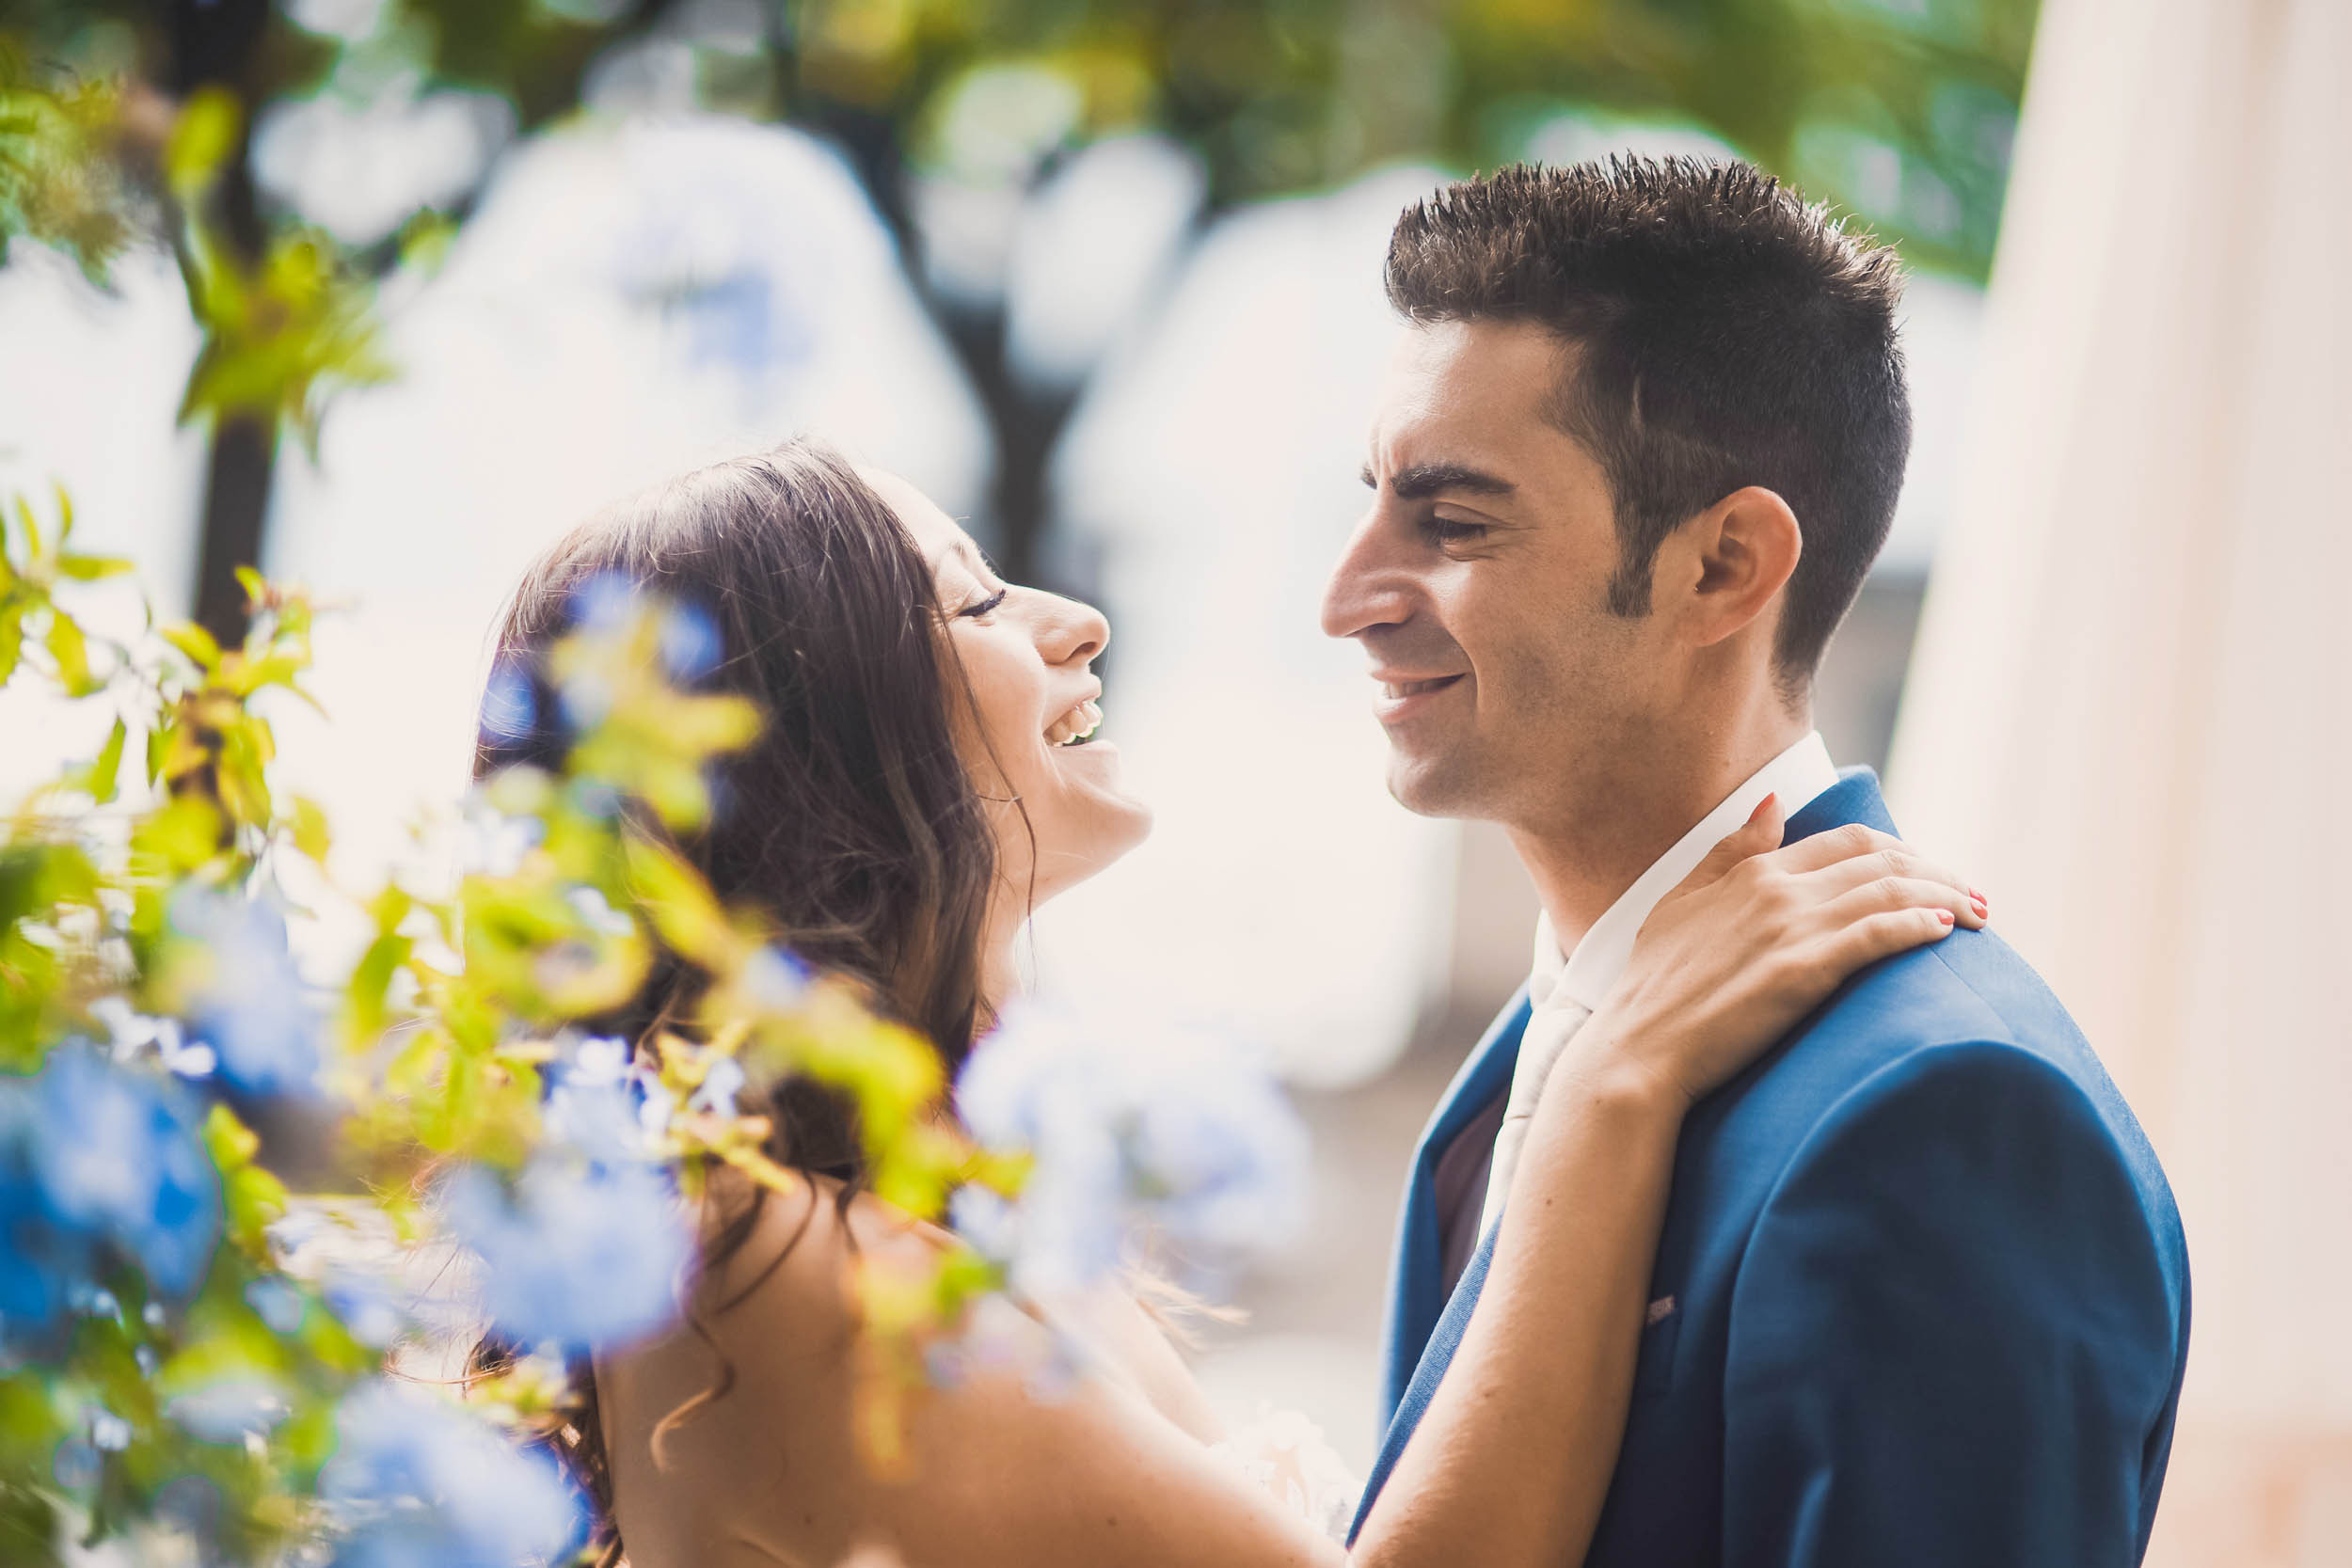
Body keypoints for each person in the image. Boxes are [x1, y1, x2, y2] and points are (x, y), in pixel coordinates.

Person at [471, 437, 1986, 1568]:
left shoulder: (896, 1199)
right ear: (819, 737)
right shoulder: (781, 1261)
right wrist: (1614, 1086)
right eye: (977, 602)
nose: (1076, 620)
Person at [1324, 157, 2191, 1566]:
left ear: (1724, 565)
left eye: (1454, 521)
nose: (1345, 599)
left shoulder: (1942, 1108)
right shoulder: (1529, 1051)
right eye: (1371, 500)